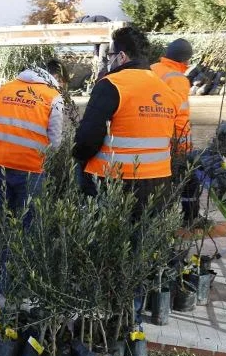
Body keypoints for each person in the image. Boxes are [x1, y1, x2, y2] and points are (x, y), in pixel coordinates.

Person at [73, 26, 180, 210]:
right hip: (159, 182)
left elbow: (87, 138)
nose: (109, 61)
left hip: (114, 181)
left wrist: (78, 157)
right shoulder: (166, 90)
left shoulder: (112, 84)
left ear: (121, 57)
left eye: (110, 55)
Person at [0, 66, 63, 226]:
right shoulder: (54, 97)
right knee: (28, 223)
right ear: (54, 78)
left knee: (1, 222)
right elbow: (55, 142)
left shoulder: (5, 89)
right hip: (31, 168)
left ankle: (1, 251)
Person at [150, 39, 198, 224]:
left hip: (149, 136)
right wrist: (184, 149)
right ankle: (190, 219)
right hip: (169, 140)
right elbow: (180, 117)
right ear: (186, 62)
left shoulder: (152, 68)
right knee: (189, 180)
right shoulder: (178, 78)